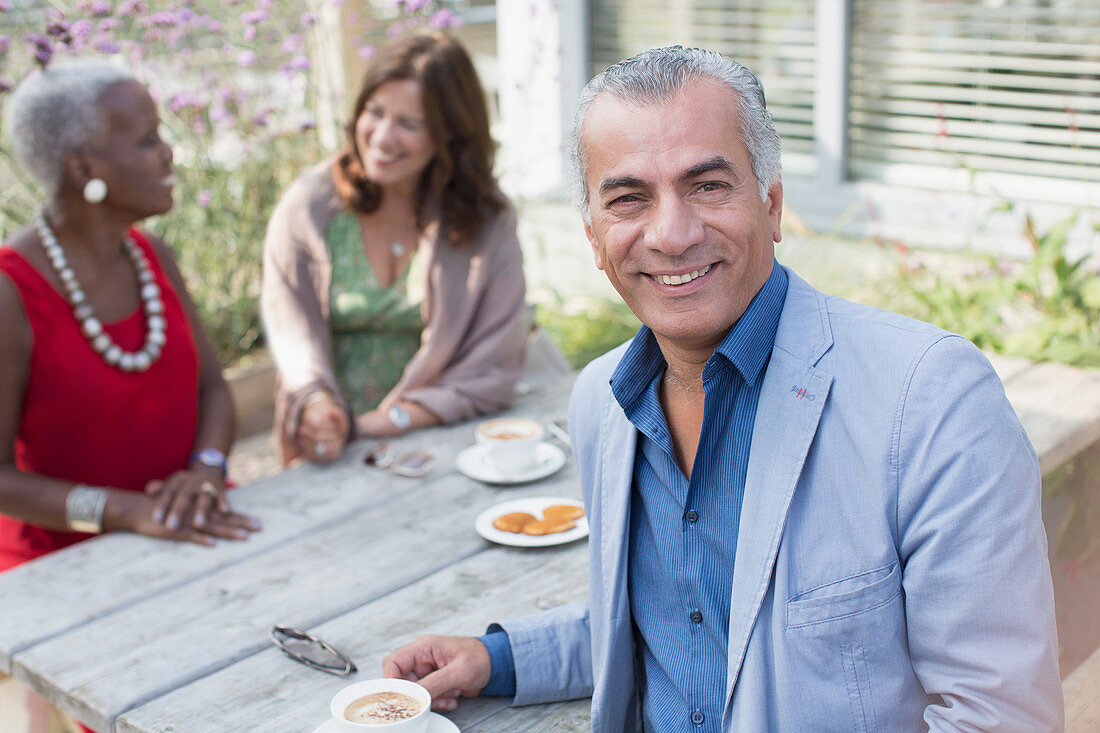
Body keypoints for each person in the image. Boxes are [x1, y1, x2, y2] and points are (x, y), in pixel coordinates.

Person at [382, 46, 1064, 731]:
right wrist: (496, 657)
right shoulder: (602, 403)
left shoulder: (931, 398)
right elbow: (670, 621)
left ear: (770, 206)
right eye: (629, 199)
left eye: (707, 186)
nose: (672, 234)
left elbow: (1000, 714)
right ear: (595, 238)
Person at [0, 58, 261, 732]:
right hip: (67, 572)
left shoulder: (152, 256)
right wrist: (125, 510)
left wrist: (205, 469)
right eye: (146, 138)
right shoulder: (9, 292)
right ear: (84, 169)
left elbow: (213, 388)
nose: (168, 150)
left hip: (180, 537)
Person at [261, 30, 527, 466]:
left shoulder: (486, 221)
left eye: (409, 124)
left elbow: (495, 365)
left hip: (445, 444)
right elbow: (292, 336)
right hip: (327, 449)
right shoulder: (308, 207)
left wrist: (385, 421)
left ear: (452, 136)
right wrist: (317, 405)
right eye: (375, 111)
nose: (382, 137)